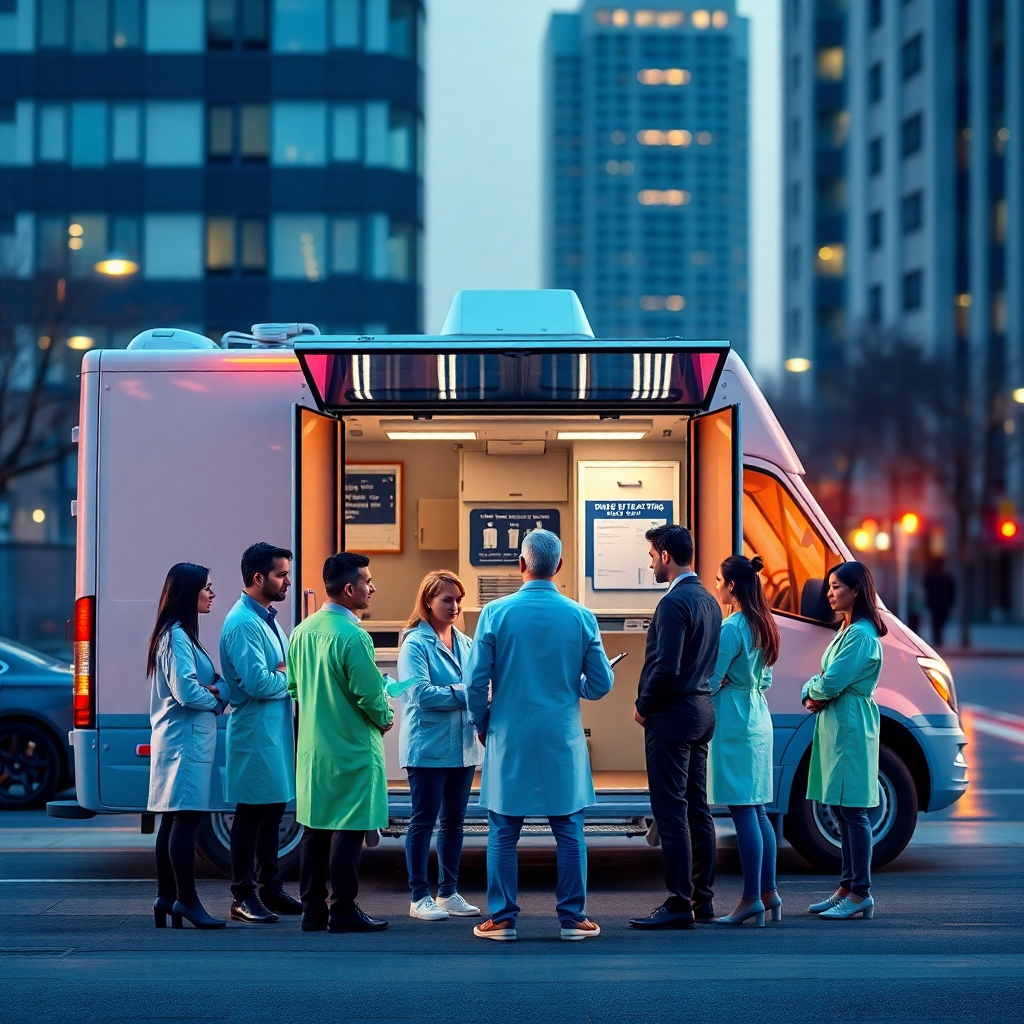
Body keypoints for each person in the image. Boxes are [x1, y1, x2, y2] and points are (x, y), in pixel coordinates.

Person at [466, 530, 614, 941]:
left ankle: (502, 919)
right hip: (561, 736)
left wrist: (482, 722)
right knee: (569, 829)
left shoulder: (495, 614)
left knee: (503, 830)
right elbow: (600, 685)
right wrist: (575, 685)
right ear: (560, 567)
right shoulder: (581, 616)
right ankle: (572, 918)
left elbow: (476, 682)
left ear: (521, 564)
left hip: (508, 734)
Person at [287, 552, 393, 933]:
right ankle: (343, 908)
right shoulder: (353, 636)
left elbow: (294, 687)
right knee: (349, 829)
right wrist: (387, 718)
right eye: (367, 581)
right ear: (349, 589)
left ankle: (312, 910)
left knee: (315, 829)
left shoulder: (301, 631)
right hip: (351, 747)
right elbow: (370, 695)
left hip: (314, 748)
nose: (372, 587)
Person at [630, 524, 722, 931]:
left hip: (672, 714)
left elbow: (666, 666)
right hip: (702, 711)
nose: (650, 562)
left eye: (652, 555)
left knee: (670, 810)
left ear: (665, 556)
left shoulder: (672, 604)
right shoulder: (709, 600)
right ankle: (702, 899)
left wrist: (643, 706)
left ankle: (678, 901)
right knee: (697, 807)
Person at [219, 542, 301, 924]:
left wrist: (285, 673)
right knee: (251, 815)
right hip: (254, 732)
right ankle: (243, 895)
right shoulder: (241, 623)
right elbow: (258, 683)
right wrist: (287, 674)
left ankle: (270, 887)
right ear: (258, 578)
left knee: (271, 812)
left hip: (271, 731)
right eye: (281, 574)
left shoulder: (265, 616)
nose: (287, 581)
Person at [147, 562, 230, 930]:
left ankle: (167, 896)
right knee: (185, 819)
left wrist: (215, 687)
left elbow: (202, 683)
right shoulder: (177, 636)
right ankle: (186, 901)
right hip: (183, 742)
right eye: (207, 588)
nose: (212, 594)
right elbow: (186, 691)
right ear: (188, 592)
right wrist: (218, 694)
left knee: (173, 818)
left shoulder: (178, 634)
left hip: (181, 739)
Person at [397, 570, 483, 922]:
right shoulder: (415, 643)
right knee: (423, 821)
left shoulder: (464, 641)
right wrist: (467, 694)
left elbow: (482, 684)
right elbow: (420, 694)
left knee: (454, 822)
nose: (455, 606)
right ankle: (419, 897)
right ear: (428, 601)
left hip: (461, 747)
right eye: (447, 599)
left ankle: (447, 892)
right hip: (428, 747)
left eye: (458, 600)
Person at [802, 560, 885, 921]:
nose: (829, 593)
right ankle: (847, 887)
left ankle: (860, 892)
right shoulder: (848, 629)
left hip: (850, 722)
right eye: (830, 586)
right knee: (839, 807)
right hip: (838, 721)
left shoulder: (861, 634)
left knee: (853, 810)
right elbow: (825, 678)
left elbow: (831, 680)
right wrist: (812, 689)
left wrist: (813, 691)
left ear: (856, 591)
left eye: (836, 586)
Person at [708, 555, 781, 927]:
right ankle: (769, 891)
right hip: (758, 715)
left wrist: (714, 683)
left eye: (719, 579)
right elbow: (765, 680)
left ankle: (751, 898)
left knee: (741, 810)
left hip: (734, 719)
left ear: (733, 585)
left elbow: (711, 678)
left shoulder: (731, 627)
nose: (716, 585)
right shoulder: (763, 623)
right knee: (758, 809)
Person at [924, 557, 956, 648]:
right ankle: (938, 638)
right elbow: (951, 591)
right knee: (939, 622)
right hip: (941, 604)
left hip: (937, 603)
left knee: (937, 622)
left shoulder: (933, 576)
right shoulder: (945, 577)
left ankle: (937, 638)